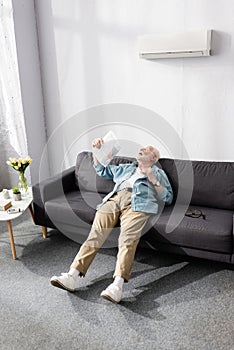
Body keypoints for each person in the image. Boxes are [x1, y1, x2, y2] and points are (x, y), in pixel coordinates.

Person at [50, 138, 173, 303]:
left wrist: (152, 178)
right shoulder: (126, 167)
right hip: (113, 199)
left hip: (138, 204)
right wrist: (97, 150)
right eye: (141, 147)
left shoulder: (158, 173)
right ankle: (72, 276)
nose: (142, 149)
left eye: (147, 149)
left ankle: (117, 286)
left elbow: (168, 197)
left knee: (127, 239)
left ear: (153, 159)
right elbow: (101, 170)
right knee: (96, 234)